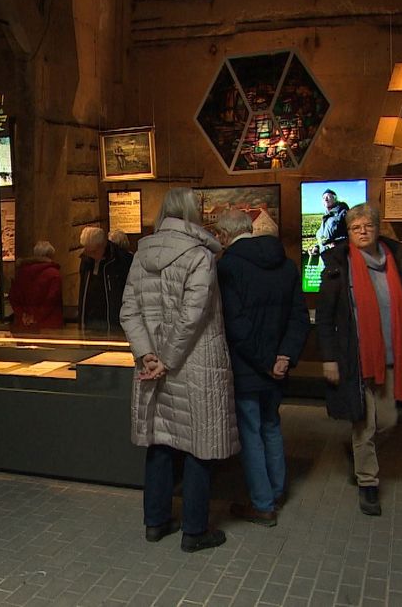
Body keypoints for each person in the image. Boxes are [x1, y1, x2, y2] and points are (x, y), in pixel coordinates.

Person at [119, 187, 236, 553]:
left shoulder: (141, 256)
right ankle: (195, 530)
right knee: (199, 444)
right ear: (191, 213)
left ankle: (155, 522)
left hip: (155, 366)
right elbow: (194, 315)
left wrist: (148, 355)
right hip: (194, 364)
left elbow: (128, 311)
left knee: (160, 442)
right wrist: (166, 358)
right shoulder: (200, 256)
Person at [317, 204, 402, 516]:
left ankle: (359, 454)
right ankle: (368, 484)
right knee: (364, 424)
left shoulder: (394, 265)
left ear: (378, 229)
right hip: (355, 359)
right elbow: (324, 318)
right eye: (355, 228)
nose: (362, 232)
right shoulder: (340, 267)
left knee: (387, 422)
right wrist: (329, 358)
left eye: (367, 226)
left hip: (392, 357)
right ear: (348, 233)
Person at [215, 210, 310, 527]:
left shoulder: (228, 267)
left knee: (251, 432)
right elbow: (299, 317)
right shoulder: (287, 264)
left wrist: (265, 363)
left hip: (248, 368)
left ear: (224, 237)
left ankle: (262, 503)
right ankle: (277, 489)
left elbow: (237, 325)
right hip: (277, 368)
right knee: (271, 426)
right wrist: (284, 357)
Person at [79, 226, 133, 333]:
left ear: (103, 245)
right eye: (87, 251)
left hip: (113, 321)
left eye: (93, 252)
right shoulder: (87, 260)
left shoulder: (121, 261)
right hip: (90, 319)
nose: (90, 255)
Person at [9, 241, 63, 329]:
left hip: (23, 325)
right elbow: (51, 300)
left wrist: (23, 315)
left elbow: (13, 298)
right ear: (51, 256)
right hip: (48, 325)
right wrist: (36, 317)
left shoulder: (21, 273)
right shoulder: (54, 274)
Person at [307, 189, 349, 256]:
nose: (325, 199)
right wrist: (317, 247)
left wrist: (336, 244)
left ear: (335, 199)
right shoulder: (325, 217)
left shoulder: (343, 213)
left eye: (328, 197)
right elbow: (324, 238)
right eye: (323, 198)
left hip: (338, 259)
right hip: (325, 260)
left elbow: (351, 236)